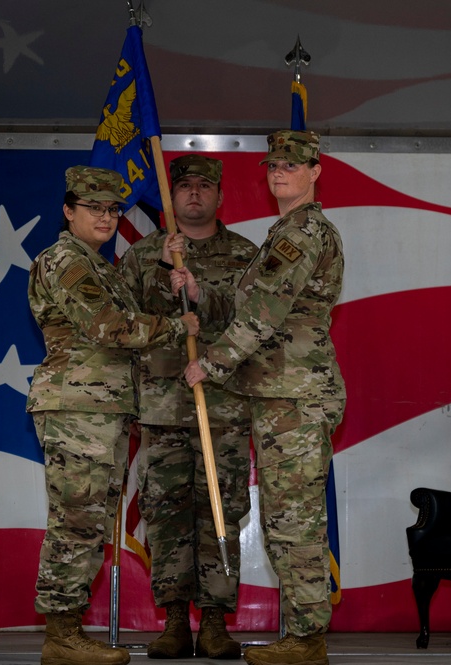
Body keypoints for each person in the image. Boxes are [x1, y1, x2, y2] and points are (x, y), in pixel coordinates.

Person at [174, 130, 345, 665]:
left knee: (293, 519)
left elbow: (266, 313)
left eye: (292, 165)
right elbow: (255, 300)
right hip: (280, 396)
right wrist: (206, 294)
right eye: (273, 165)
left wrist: (213, 363)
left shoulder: (303, 232)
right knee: (284, 517)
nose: (280, 173)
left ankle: (307, 638)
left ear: (315, 170)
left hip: (294, 397)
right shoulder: (285, 231)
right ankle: (303, 633)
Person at [26, 165, 200, 665]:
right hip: (76, 407)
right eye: (93, 208)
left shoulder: (97, 265)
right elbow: (109, 328)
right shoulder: (65, 260)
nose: (105, 217)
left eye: (112, 209)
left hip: (99, 409)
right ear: (68, 211)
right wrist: (175, 325)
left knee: (90, 522)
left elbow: (122, 314)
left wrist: (170, 274)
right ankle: (60, 635)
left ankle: (68, 630)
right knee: (76, 521)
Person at [118, 154, 258, 659]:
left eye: (205, 186)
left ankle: (217, 621)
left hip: (222, 406)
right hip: (161, 405)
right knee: (166, 513)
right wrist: (164, 273)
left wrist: (204, 295)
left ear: (220, 196)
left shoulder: (245, 255)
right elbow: (123, 323)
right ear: (170, 197)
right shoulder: (144, 256)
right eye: (184, 187)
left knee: (221, 512)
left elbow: (254, 323)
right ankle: (175, 619)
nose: (194, 194)